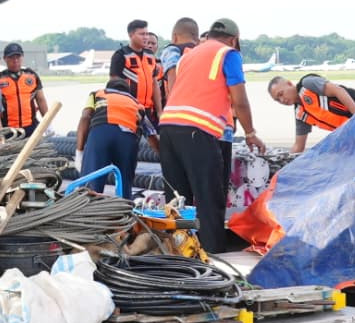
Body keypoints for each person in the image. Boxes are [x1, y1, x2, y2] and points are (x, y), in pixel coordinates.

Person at [158, 18, 265, 253]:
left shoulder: (189, 55)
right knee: (209, 197)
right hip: (197, 131)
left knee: (178, 200)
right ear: (234, 39)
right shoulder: (228, 53)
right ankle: (213, 252)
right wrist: (250, 133)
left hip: (167, 127)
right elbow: (240, 100)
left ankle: (180, 252)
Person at [75, 78, 158, 197]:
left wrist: (79, 151)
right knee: (124, 185)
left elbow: (85, 117)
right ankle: (124, 209)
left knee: (90, 185)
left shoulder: (97, 94)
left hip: (101, 134)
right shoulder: (136, 104)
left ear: (108, 87)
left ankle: (87, 210)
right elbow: (151, 135)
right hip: (128, 139)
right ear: (127, 92)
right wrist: (166, 159)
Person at [268, 73, 355, 154]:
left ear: (289, 84)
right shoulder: (300, 114)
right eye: (277, 100)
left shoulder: (307, 84)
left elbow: (338, 91)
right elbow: (298, 146)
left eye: (281, 94)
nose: (282, 100)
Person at [110, 19, 162, 121]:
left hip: (148, 110)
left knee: (151, 136)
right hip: (129, 109)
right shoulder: (120, 55)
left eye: (147, 34)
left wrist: (159, 111)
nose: (146, 37)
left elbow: (154, 83)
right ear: (131, 35)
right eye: (142, 34)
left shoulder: (150, 56)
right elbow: (113, 85)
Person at [0, 42, 48, 137]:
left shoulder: (31, 76)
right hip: (8, 129)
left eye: (18, 57)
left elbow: (41, 100)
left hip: (31, 127)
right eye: (11, 57)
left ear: (22, 57)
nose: (15, 61)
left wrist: (48, 123)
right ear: (5, 59)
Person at [158, 17, 201, 101]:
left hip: (180, 103)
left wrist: (173, 102)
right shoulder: (203, 53)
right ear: (198, 40)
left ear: (174, 37)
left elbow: (172, 72)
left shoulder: (171, 50)